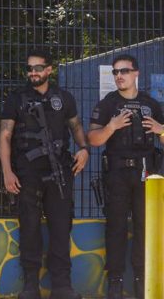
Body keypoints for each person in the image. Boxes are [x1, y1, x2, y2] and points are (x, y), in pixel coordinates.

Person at [0, 49, 89, 299]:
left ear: (50, 69)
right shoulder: (17, 98)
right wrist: (7, 172)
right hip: (27, 172)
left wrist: (84, 150)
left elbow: (76, 127)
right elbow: (5, 136)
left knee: (61, 227)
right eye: (29, 68)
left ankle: (62, 286)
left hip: (59, 170)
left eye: (38, 68)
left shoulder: (64, 97)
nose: (33, 73)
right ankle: (30, 285)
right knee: (29, 227)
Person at [88, 54, 164, 298]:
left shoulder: (152, 104)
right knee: (116, 228)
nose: (119, 76)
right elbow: (93, 139)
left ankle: (143, 280)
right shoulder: (108, 104)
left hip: (145, 174)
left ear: (136, 73)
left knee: (145, 227)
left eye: (124, 71)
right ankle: (115, 282)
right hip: (117, 174)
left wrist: (162, 130)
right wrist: (112, 126)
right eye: (116, 72)